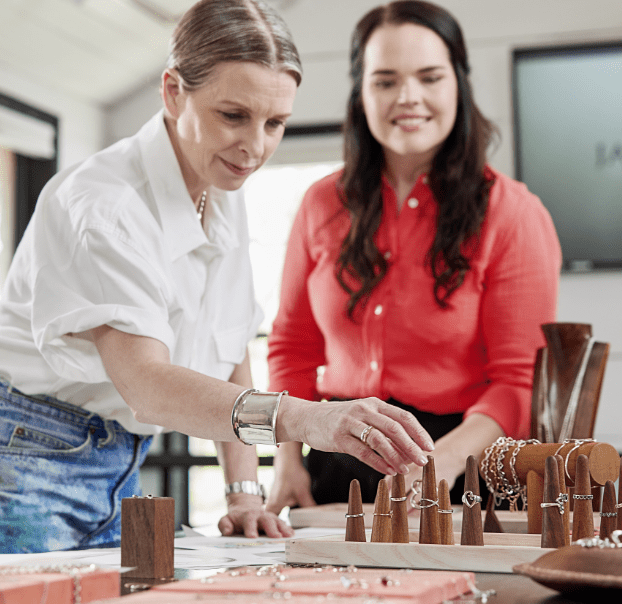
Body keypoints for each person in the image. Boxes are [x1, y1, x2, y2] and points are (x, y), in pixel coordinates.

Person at [0, 0, 435, 554]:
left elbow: (232, 345)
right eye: (233, 116)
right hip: (27, 456)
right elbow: (147, 386)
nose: (255, 147)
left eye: (274, 123)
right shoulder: (103, 205)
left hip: (118, 464)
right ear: (173, 91)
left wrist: (244, 494)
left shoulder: (217, 183)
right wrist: (308, 420)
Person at [265, 0, 562, 515]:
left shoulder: (513, 212)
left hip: (459, 473)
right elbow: (292, 348)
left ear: (458, 85)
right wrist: (287, 464)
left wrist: (437, 465)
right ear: (361, 93)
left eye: (429, 77)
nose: (409, 98)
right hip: (334, 470)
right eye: (385, 81)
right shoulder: (320, 203)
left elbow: (518, 383)